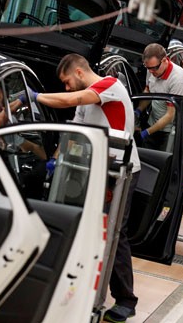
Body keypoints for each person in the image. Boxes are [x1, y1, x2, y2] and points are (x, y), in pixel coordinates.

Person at [28, 53, 141, 322]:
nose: (67, 88)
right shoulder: (85, 100)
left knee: (114, 232)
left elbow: (73, 98)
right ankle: (80, 289)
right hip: (92, 169)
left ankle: (126, 299)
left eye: (67, 81)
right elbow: (74, 133)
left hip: (120, 171)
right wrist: (55, 160)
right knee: (85, 227)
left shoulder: (109, 86)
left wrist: (35, 97)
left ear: (79, 72)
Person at [137, 43, 183, 151]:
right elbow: (148, 92)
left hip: (169, 131)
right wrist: (138, 110)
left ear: (165, 60)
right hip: (153, 124)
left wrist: (147, 132)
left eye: (154, 68)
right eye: (148, 68)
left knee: (162, 162)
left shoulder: (178, 80)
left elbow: (170, 115)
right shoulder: (152, 70)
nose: (151, 72)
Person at [0, 84, 47, 160]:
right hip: (7, 158)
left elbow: (5, 111)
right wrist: (20, 101)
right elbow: (1, 118)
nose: (7, 98)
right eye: (6, 95)